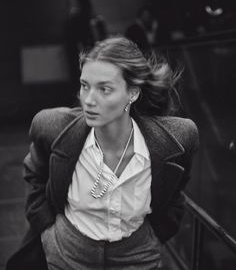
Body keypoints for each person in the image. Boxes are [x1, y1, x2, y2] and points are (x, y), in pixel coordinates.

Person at [6, 36, 199, 270]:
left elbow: (177, 190)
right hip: (68, 252)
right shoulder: (52, 129)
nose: (88, 100)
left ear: (132, 94)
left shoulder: (178, 139)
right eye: (84, 85)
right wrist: (48, 231)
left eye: (104, 89)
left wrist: (156, 235)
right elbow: (35, 176)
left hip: (137, 255)